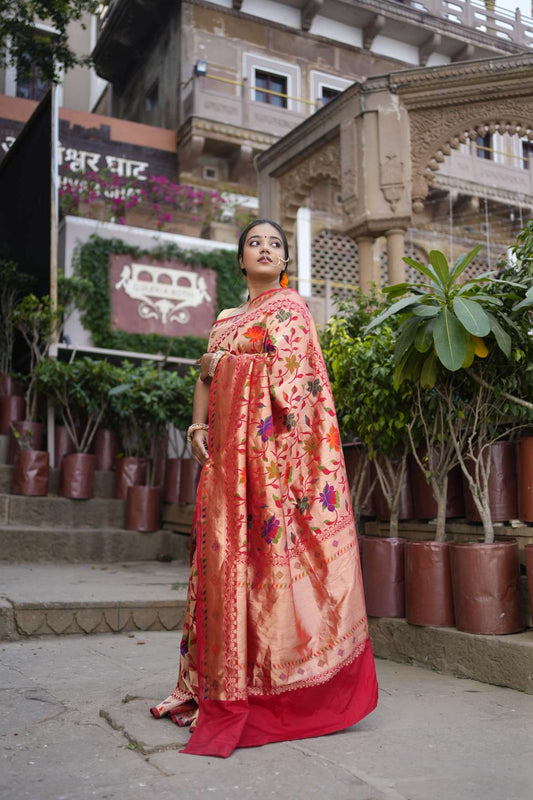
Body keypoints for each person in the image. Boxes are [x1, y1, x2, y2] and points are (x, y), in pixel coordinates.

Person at [150, 220, 378, 757]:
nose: (266, 249)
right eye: (256, 242)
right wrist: (198, 427)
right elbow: (205, 378)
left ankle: (277, 685)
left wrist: (232, 367)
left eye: (276, 244)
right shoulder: (226, 319)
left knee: (261, 565)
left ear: (285, 260)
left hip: (271, 467)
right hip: (226, 462)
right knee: (222, 565)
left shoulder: (290, 309)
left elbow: (298, 386)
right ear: (240, 259)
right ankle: (218, 682)